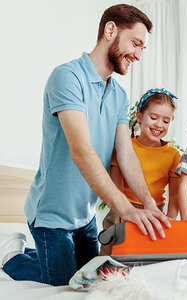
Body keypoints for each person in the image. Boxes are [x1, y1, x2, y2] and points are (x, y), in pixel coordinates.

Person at [0, 4, 170, 286]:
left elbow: (126, 154)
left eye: (143, 48)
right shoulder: (67, 77)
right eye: (135, 43)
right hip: (51, 218)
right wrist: (125, 209)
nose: (139, 55)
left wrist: (149, 204)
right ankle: (10, 256)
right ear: (110, 30)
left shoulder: (117, 94)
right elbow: (80, 151)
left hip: (85, 217)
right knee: (65, 283)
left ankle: (35, 255)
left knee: (91, 281)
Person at [100, 88, 181, 255]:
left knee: (148, 256)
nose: (159, 124)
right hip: (122, 210)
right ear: (139, 117)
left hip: (155, 211)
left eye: (166, 121)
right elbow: (116, 188)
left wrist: (171, 220)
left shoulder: (173, 155)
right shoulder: (124, 147)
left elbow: (174, 195)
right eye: (153, 118)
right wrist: (124, 213)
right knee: (113, 254)